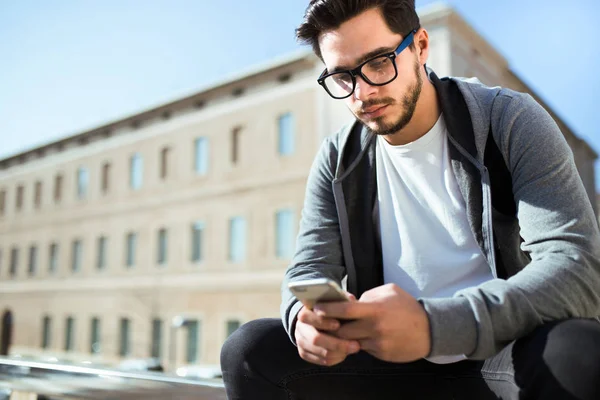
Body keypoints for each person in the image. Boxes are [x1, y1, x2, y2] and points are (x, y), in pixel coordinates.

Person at [220, 0, 600, 398]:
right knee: (249, 350)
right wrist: (306, 318)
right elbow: (309, 269)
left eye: (379, 63)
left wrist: (433, 325)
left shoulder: (509, 119)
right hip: (388, 363)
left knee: (578, 350)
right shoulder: (338, 158)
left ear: (420, 46)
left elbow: (576, 268)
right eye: (342, 77)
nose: (362, 92)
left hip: (502, 357)